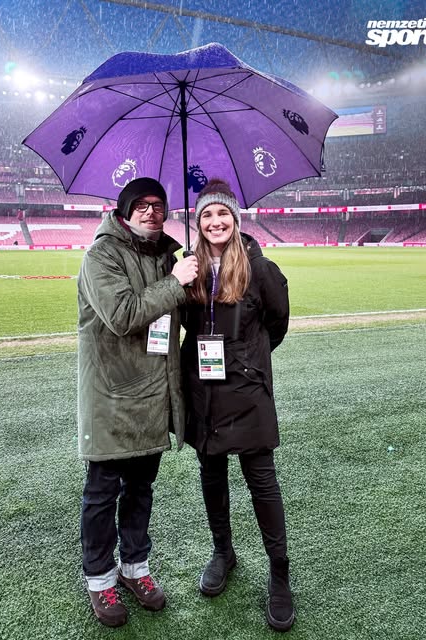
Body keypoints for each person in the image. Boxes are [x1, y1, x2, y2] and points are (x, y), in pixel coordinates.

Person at [77, 177, 198, 628]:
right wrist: (175, 282)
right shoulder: (101, 255)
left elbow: (175, 315)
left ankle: (135, 569)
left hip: (153, 394)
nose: (151, 211)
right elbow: (123, 315)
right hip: (112, 395)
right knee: (102, 493)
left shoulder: (167, 255)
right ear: (124, 211)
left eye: (158, 205)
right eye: (141, 204)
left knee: (141, 490)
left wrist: (193, 278)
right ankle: (100, 579)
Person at [180, 179, 294, 632]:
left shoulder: (258, 267)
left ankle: (280, 573)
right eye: (207, 215)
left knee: (261, 481)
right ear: (198, 222)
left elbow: (277, 323)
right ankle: (222, 551)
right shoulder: (187, 267)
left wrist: (247, 359)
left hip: (246, 390)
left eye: (222, 213)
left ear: (235, 218)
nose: (215, 222)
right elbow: (183, 323)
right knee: (211, 473)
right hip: (203, 389)